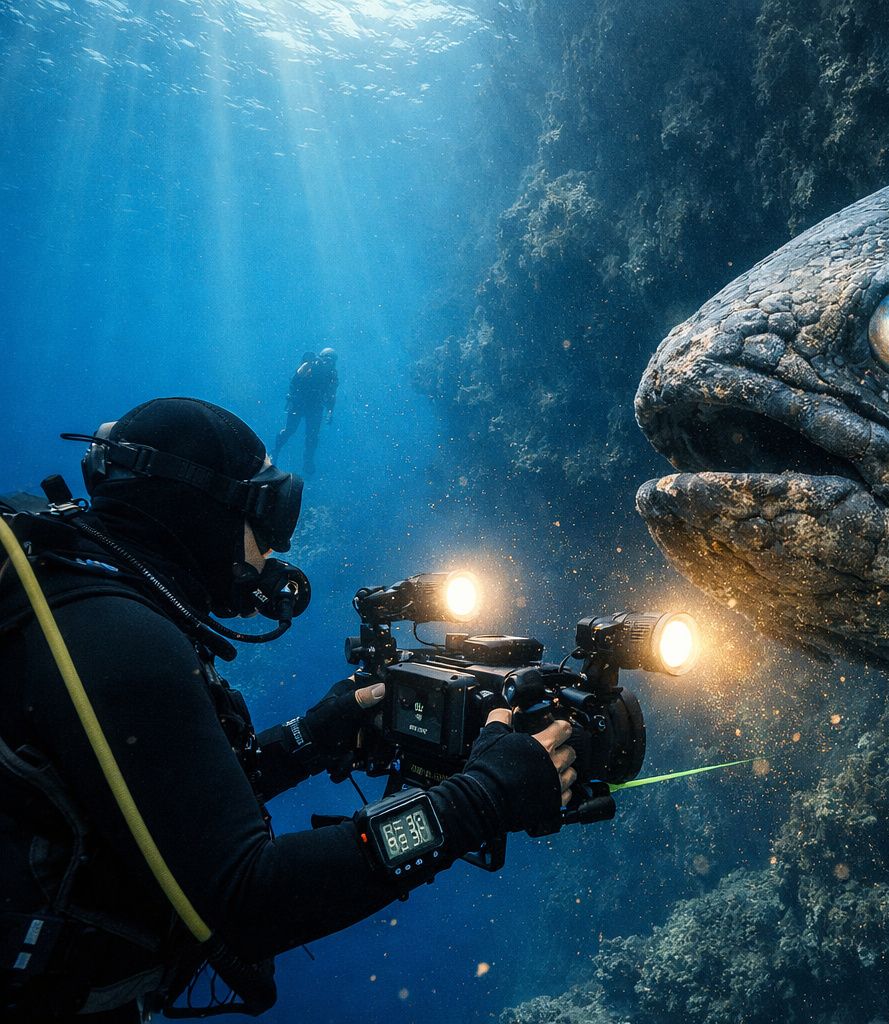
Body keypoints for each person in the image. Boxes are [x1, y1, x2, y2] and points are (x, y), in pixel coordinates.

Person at [0, 398, 575, 1021]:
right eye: (268, 514)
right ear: (201, 512)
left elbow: (165, 805)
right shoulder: (122, 642)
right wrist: (482, 798)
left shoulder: (77, 597)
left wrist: (312, 736)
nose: (274, 549)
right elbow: (250, 900)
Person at [273, 348, 338, 474]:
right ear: (321, 357)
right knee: (290, 430)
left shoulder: (332, 375)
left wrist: (330, 411)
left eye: (331, 361)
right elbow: (296, 378)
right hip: (299, 403)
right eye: (326, 359)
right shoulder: (310, 365)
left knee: (312, 436)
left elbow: (332, 395)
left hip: (315, 407)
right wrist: (309, 363)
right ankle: (276, 451)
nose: (327, 363)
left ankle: (308, 461)